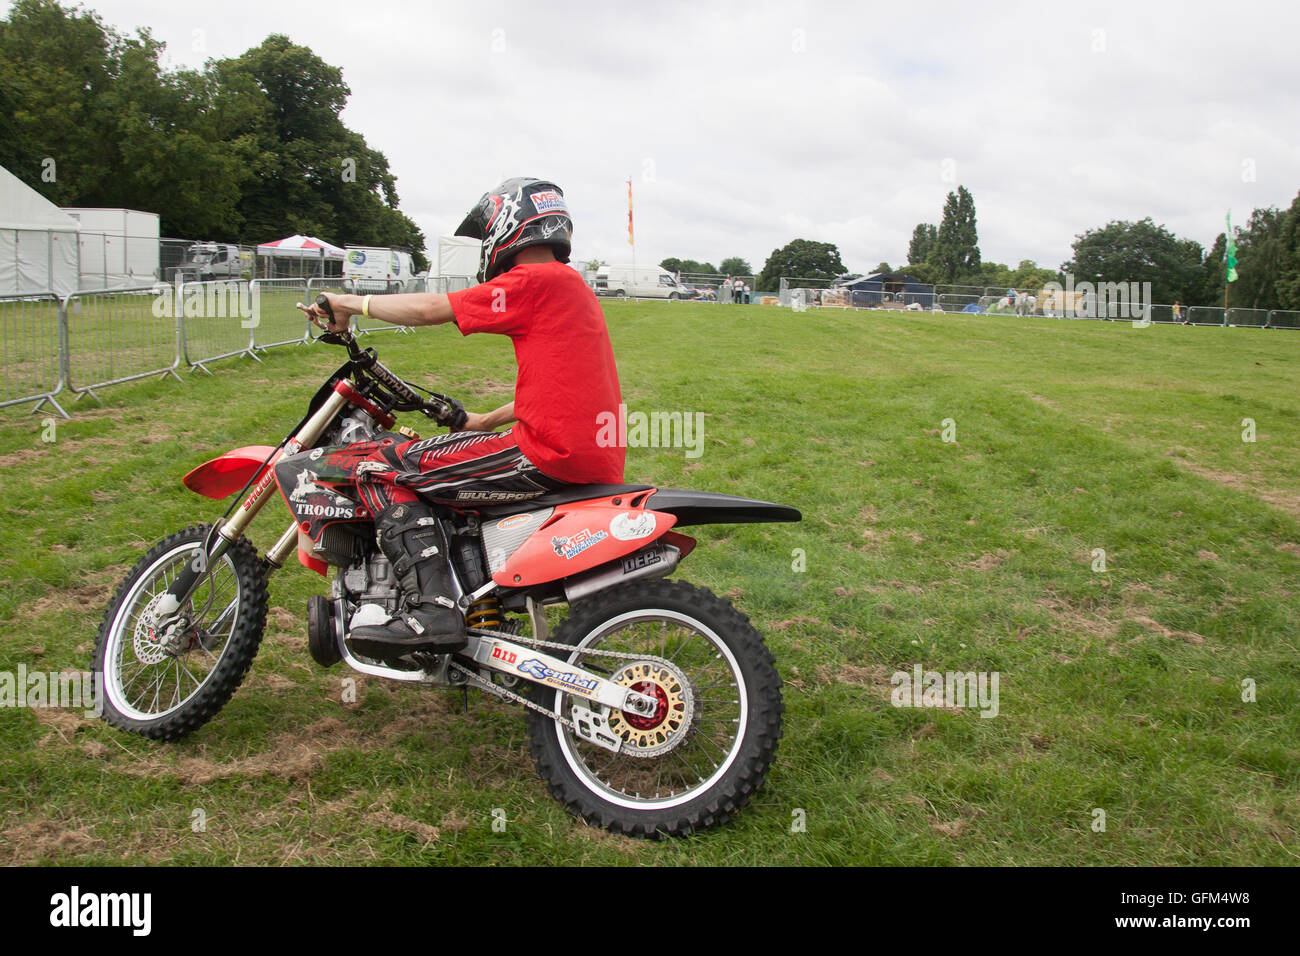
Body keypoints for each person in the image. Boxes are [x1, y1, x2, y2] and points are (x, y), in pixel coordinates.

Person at [294, 178, 624, 657]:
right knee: (438, 471)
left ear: (507, 225)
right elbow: (565, 388)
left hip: (549, 452)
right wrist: (486, 420)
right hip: (586, 449)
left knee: (378, 466)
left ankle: (432, 611)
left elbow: (432, 308)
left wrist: (347, 302)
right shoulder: (569, 288)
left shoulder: (535, 280)